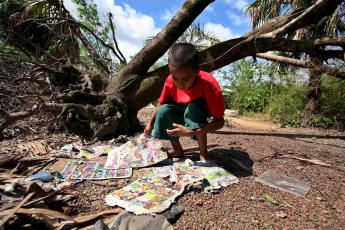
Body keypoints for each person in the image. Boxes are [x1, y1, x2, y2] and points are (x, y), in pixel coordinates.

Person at [144, 43, 225, 161]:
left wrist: (192, 131)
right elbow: (161, 103)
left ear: (197, 71)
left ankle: (203, 154)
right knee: (163, 111)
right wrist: (150, 124)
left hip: (198, 113)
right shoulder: (170, 81)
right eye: (175, 78)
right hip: (180, 110)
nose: (180, 84)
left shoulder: (209, 84)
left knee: (194, 108)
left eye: (186, 79)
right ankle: (177, 150)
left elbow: (219, 121)